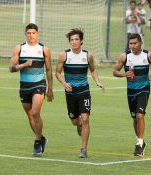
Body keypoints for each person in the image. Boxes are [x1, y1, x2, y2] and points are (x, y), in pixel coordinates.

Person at [55, 28, 105, 158]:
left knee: (85, 118)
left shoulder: (88, 55)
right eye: (71, 40)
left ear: (81, 41)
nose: (74, 42)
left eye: (76, 39)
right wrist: (64, 84)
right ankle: (78, 125)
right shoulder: (64, 56)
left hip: (84, 91)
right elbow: (57, 73)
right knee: (74, 120)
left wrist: (97, 81)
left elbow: (93, 70)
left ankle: (83, 149)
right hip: (70, 93)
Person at [8, 23, 53, 156]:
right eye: (29, 33)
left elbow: (49, 70)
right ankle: (42, 138)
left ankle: (37, 142)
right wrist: (24, 64)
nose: (31, 35)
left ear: (37, 34)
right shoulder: (20, 49)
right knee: (30, 115)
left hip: (39, 84)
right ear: (25, 34)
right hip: (24, 86)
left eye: (33, 33)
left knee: (34, 112)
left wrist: (50, 88)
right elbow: (11, 68)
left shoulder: (44, 49)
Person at [113, 33, 151, 156]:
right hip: (131, 91)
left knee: (139, 115)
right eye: (130, 43)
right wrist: (124, 74)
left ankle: (139, 144)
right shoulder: (125, 57)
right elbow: (115, 71)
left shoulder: (148, 55)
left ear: (141, 43)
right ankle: (140, 141)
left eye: (135, 43)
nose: (132, 46)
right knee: (134, 118)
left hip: (144, 89)